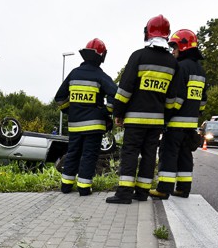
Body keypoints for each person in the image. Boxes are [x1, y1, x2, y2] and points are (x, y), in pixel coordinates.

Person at [107, 15, 177, 204]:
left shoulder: (138, 56)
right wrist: (166, 117)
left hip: (135, 120)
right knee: (148, 155)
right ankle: (142, 193)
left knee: (130, 153)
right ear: (167, 35)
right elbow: (173, 98)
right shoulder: (172, 63)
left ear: (148, 33)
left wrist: (118, 112)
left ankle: (124, 194)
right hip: (156, 122)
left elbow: (125, 89)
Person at [54, 38, 117, 196]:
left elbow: (60, 98)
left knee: (73, 153)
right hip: (94, 126)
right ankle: (84, 188)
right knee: (89, 155)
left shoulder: (74, 74)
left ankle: (66, 186)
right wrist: (105, 111)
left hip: (75, 125)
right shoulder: (101, 76)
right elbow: (115, 95)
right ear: (102, 56)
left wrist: (71, 111)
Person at [152, 29, 207, 199]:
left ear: (183, 47)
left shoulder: (180, 67)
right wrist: (195, 113)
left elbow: (176, 97)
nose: (173, 51)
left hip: (176, 122)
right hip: (191, 124)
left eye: (174, 47)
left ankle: (163, 189)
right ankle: (183, 189)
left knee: (168, 154)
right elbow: (203, 101)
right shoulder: (200, 70)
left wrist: (166, 116)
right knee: (185, 156)